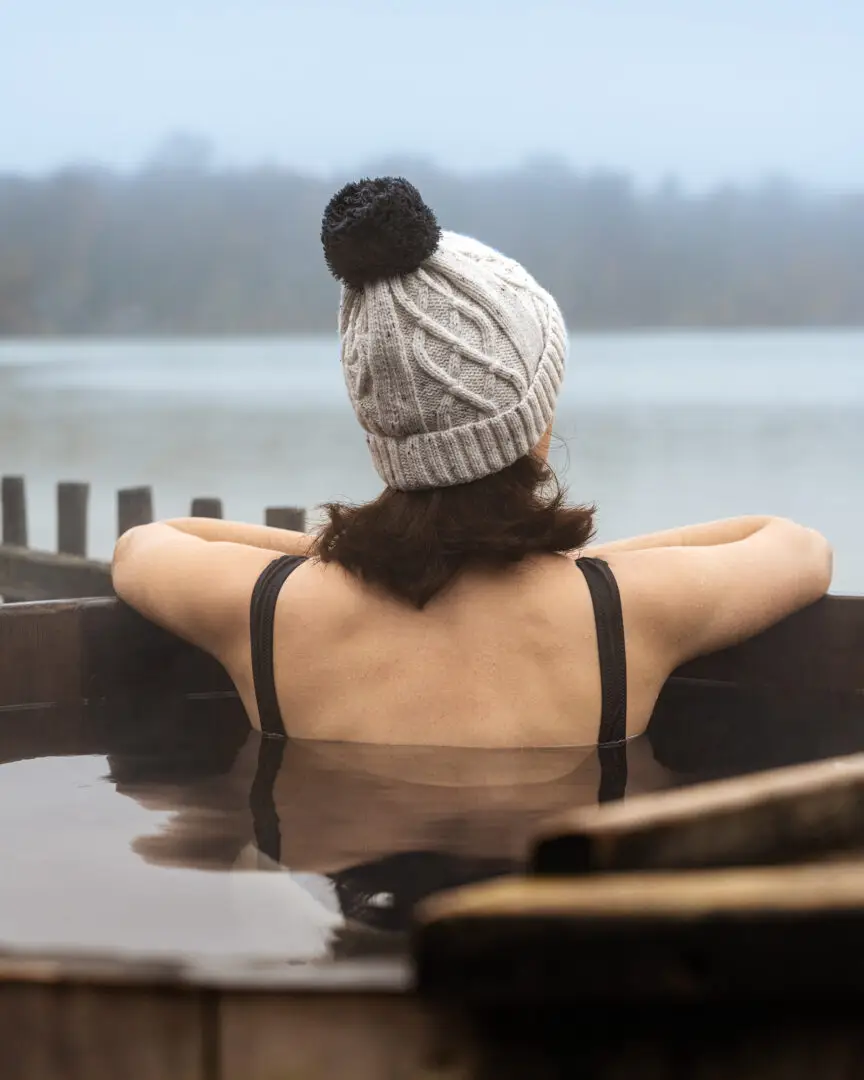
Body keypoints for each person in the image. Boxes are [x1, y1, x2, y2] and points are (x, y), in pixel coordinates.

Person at [112, 177, 833, 749]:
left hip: (343, 915)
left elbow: (144, 546)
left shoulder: (269, 607)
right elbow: (797, 546)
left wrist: (337, 553)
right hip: (544, 930)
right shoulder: (624, 607)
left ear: (379, 419)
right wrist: (586, 564)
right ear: (535, 426)